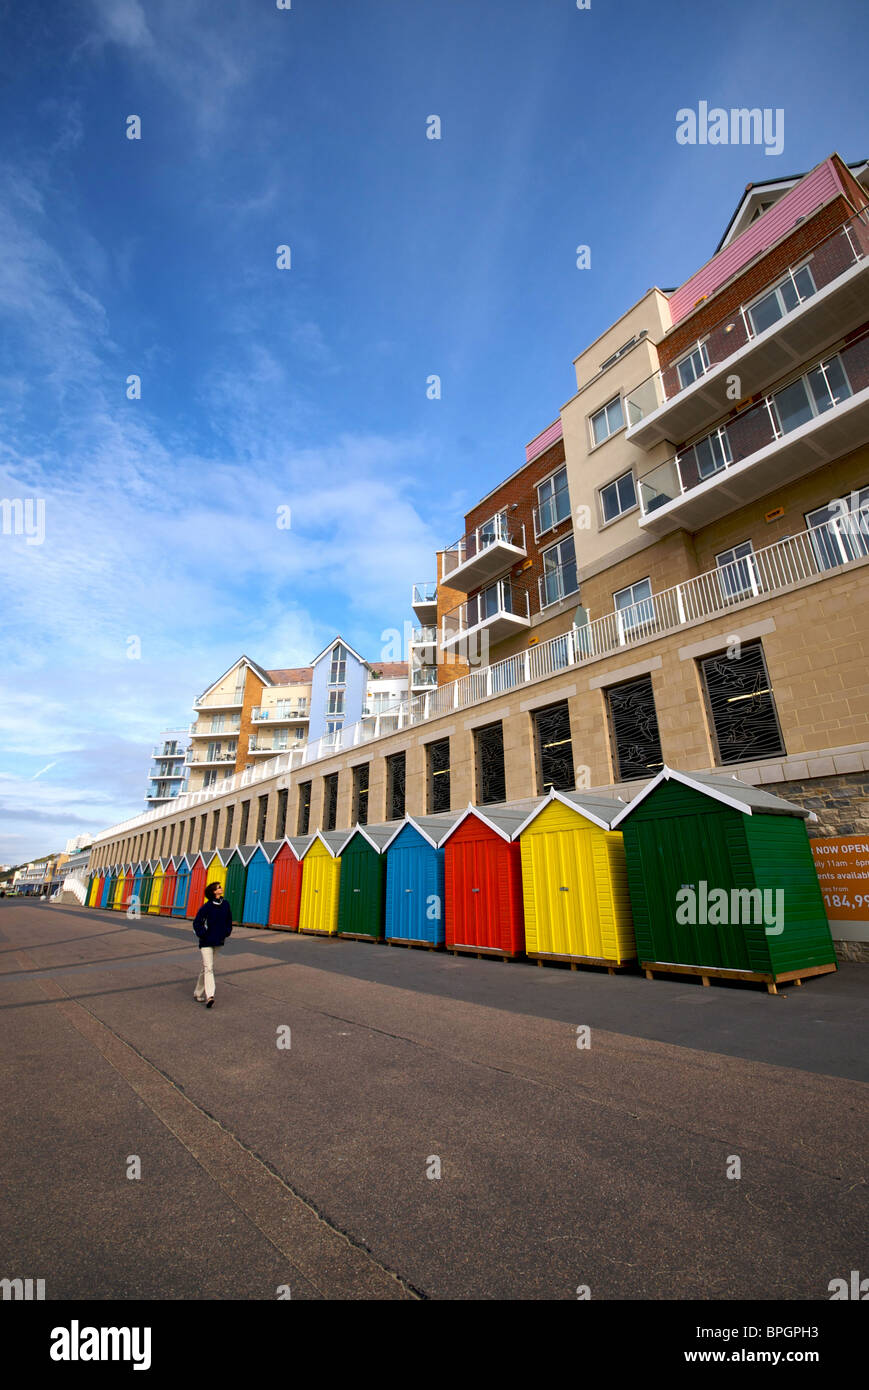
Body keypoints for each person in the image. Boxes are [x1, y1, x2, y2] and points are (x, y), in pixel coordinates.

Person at [192, 881, 233, 1008]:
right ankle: (210, 996)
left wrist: (226, 932)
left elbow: (229, 921)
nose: (221, 889)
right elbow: (197, 923)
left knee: (206, 968)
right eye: (218, 887)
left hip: (219, 941)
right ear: (213, 892)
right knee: (209, 968)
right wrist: (203, 934)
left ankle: (198, 992)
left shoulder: (225, 904)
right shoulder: (207, 907)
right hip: (206, 942)